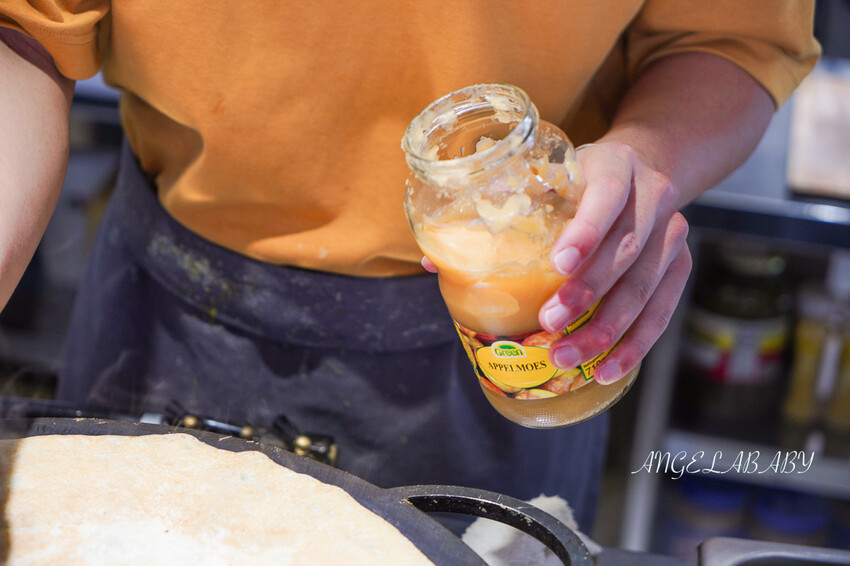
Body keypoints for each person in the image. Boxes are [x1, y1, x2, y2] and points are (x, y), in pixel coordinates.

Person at [0, 2, 819, 531]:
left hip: (508, 340)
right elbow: (25, 31)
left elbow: (727, 39)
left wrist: (649, 160)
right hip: (163, 308)